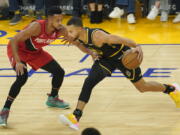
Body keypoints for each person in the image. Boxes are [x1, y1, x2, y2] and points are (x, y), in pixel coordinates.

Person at [59, 17, 180, 130]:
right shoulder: (78, 37)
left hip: (123, 57)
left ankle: (171, 89)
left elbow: (118, 38)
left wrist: (136, 45)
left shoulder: (97, 36)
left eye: (71, 31)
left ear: (80, 28)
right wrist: (91, 53)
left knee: (142, 87)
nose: (68, 34)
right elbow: (82, 45)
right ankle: (76, 117)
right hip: (106, 60)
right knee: (89, 81)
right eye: (68, 31)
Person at [0, 7, 71, 127]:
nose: (60, 23)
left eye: (61, 20)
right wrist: (18, 61)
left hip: (35, 52)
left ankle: (53, 98)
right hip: (18, 50)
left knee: (59, 72)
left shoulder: (61, 29)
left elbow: (76, 42)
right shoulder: (37, 27)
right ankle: (4, 111)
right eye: (57, 20)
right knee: (22, 78)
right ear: (49, 19)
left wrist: (91, 52)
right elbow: (13, 40)